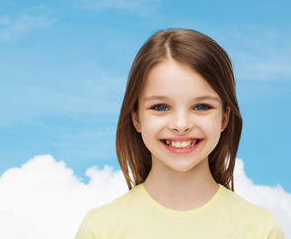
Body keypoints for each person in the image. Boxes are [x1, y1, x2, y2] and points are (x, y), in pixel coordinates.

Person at [75, 29, 285, 238]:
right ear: (137, 118)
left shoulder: (261, 229)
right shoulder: (101, 229)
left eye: (201, 107)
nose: (181, 124)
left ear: (224, 118)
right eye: (160, 107)